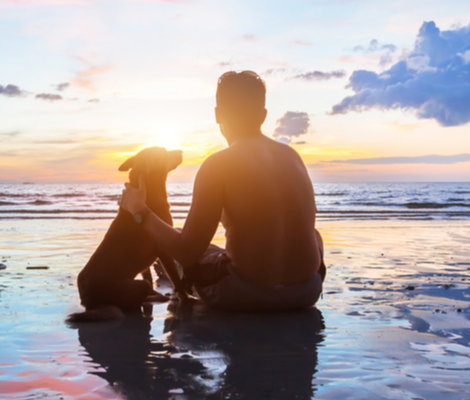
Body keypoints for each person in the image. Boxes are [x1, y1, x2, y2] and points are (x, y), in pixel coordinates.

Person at [119, 70, 325, 312]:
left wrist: (138, 209)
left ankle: (174, 278)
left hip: (243, 295)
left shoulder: (217, 165)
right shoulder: (293, 157)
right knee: (315, 235)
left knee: (178, 243)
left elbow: (187, 252)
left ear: (218, 115)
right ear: (263, 116)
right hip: (306, 292)